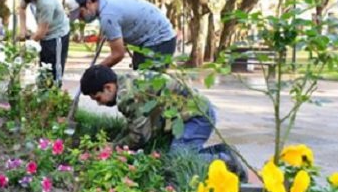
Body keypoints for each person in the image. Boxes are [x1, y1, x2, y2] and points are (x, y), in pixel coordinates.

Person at [79, 64, 247, 181]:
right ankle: (224, 151)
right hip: (190, 112)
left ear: (108, 87)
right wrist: (116, 143)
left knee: (178, 158)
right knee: (177, 152)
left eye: (98, 98)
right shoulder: (125, 80)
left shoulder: (127, 97)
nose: (99, 103)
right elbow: (135, 125)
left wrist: (114, 149)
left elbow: (139, 136)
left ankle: (226, 162)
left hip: (196, 116)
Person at [64, 0, 176, 70]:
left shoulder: (108, 17)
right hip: (150, 39)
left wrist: (94, 71)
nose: (80, 18)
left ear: (88, 3)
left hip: (160, 40)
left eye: (80, 14)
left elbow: (118, 54)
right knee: (139, 80)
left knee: (148, 88)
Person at [15, 0, 70, 86]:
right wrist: (23, 30)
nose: (25, 0)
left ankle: (54, 96)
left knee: (54, 70)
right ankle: (43, 92)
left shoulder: (46, 2)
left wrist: (26, 47)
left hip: (57, 36)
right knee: (44, 68)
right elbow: (21, 8)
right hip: (45, 35)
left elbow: (41, 32)